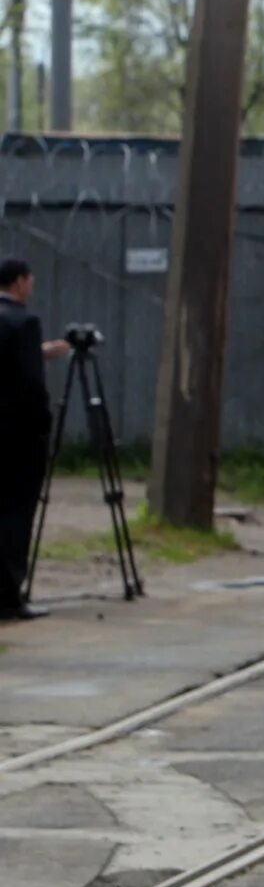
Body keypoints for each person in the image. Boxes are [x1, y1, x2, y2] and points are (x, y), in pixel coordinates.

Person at [0, 258, 71, 621]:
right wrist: (44, 425)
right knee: (15, 514)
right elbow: (29, 384)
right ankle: (9, 596)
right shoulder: (25, 321)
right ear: (20, 282)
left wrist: (39, 352)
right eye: (30, 280)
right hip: (18, 436)